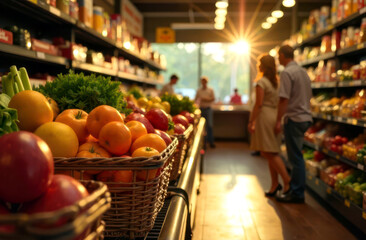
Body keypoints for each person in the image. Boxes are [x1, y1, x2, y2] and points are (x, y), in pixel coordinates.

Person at [248, 54, 290, 197]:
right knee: (272, 151)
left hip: (264, 116)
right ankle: (274, 185)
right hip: (275, 115)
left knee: (267, 151)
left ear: (263, 66)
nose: (258, 66)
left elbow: (258, 104)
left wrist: (251, 121)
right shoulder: (277, 83)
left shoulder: (261, 82)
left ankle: (287, 180)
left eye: (260, 63)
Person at [275, 45, 312, 203]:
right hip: (305, 117)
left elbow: (284, 99)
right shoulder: (303, 72)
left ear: (283, 56)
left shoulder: (287, 72)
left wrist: (278, 120)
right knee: (298, 155)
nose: (278, 59)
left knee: (295, 157)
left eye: (279, 56)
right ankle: (298, 191)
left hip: (294, 118)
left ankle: (297, 193)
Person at [195, 76, 216, 148]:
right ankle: (203, 143)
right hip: (201, 109)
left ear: (206, 82)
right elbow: (196, 99)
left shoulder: (210, 90)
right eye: (202, 81)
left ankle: (211, 142)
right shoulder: (199, 90)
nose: (203, 82)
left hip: (208, 109)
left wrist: (205, 99)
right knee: (202, 127)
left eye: (205, 81)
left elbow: (213, 98)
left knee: (209, 126)